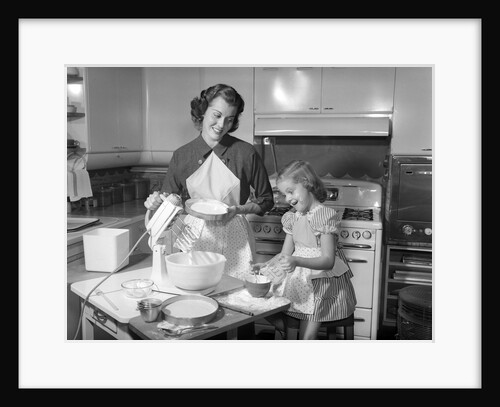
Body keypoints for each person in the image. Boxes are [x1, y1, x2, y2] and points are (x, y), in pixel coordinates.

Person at [144, 83, 274, 281]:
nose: (222, 125)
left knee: (236, 294)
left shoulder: (246, 154)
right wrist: (155, 203)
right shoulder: (182, 156)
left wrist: (238, 210)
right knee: (197, 292)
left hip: (235, 236)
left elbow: (266, 200)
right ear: (202, 111)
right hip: (194, 237)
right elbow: (167, 203)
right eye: (217, 115)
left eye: (229, 119)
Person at [254, 160, 357, 340]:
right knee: (263, 304)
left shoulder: (323, 216)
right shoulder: (293, 218)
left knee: (307, 337)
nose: (288, 199)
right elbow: (285, 254)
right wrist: (267, 264)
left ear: (307, 183)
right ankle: (289, 331)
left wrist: (297, 261)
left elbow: (328, 260)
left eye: (291, 191)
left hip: (321, 284)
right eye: (284, 194)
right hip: (299, 280)